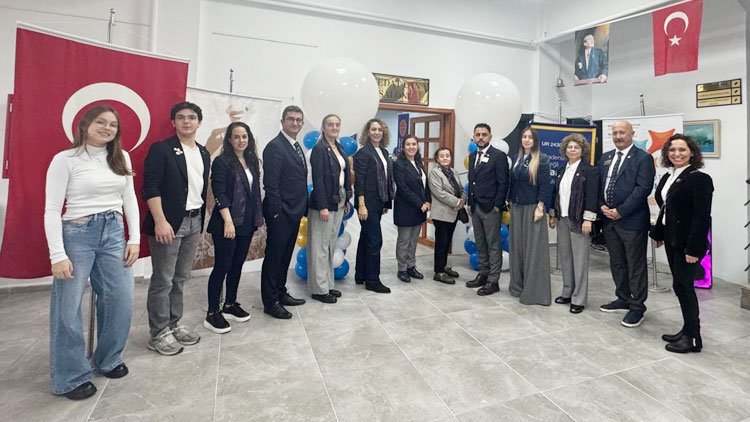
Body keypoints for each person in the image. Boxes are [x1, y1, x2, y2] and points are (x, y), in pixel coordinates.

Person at [45, 104, 139, 400]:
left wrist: (134, 238)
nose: (107, 128)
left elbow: (129, 198)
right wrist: (57, 254)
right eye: (101, 122)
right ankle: (70, 377)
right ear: (85, 125)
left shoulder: (121, 157)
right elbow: (51, 209)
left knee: (120, 298)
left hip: (114, 231)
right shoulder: (65, 159)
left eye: (113, 124)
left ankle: (107, 359)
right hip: (77, 234)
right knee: (68, 307)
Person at [143, 102, 210, 355]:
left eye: (192, 117)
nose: (186, 121)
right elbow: (150, 186)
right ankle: (159, 332)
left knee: (181, 278)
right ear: (173, 122)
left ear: (199, 122)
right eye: (181, 117)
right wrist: (160, 220)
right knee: (163, 280)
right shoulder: (162, 149)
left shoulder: (203, 152)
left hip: (194, 221)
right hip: (169, 222)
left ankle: (173, 324)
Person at [651, 134, 713, 353]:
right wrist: (659, 233)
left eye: (682, 150)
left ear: (692, 153)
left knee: (685, 287)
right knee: (679, 285)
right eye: (672, 150)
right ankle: (687, 329)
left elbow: (702, 217)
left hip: (687, 243)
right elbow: (666, 208)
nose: (676, 154)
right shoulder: (669, 176)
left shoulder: (699, 178)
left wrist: (694, 248)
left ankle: (693, 338)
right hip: (672, 238)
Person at [203, 122, 264, 334]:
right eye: (236, 137)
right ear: (229, 140)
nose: (241, 141)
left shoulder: (252, 160)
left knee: (237, 265)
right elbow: (219, 191)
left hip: (246, 221)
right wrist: (228, 221)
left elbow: (254, 192)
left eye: (244, 136)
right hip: (226, 223)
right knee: (222, 266)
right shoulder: (222, 162)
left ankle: (229, 304)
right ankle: (212, 312)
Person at [598, 120, 655, 327]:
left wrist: (621, 211)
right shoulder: (605, 158)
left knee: (635, 265)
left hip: (632, 222)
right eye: (615, 133)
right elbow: (599, 185)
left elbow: (643, 189)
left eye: (622, 132)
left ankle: (637, 307)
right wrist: (601, 205)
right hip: (609, 221)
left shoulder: (643, 158)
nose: (618, 136)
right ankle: (622, 298)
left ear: (632, 133)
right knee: (617, 263)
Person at [261, 105, 308, 319]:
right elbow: (270, 185)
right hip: (280, 214)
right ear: (282, 122)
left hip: (294, 212)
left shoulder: (296, 146)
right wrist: (276, 213)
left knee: (285, 256)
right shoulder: (275, 147)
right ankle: (270, 302)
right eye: (291, 119)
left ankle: (280, 292)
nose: (295, 123)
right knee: (274, 258)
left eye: (298, 120)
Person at [549, 133, 599, 313]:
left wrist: (588, 219)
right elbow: (557, 194)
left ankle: (579, 299)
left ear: (582, 150)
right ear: (565, 150)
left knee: (579, 261)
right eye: (569, 147)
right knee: (565, 258)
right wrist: (553, 215)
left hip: (579, 220)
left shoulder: (590, 170)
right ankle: (567, 292)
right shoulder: (562, 169)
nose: (572, 150)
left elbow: (592, 196)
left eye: (576, 147)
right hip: (562, 218)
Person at [308, 114, 352, 303]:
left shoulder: (338, 147)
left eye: (337, 125)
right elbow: (317, 180)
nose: (334, 128)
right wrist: (323, 206)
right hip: (324, 203)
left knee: (330, 245)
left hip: (339, 199)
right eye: (330, 125)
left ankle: (328, 285)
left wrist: (347, 198)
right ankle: (319, 289)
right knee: (320, 246)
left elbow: (345, 174)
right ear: (323, 127)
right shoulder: (319, 149)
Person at [508, 128, 552, 306]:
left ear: (535, 141)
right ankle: (517, 286)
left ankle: (535, 292)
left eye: (530, 137)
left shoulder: (542, 159)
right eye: (524, 137)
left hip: (533, 208)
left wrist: (541, 206)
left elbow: (546, 185)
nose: (526, 140)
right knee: (517, 248)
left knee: (533, 250)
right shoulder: (516, 159)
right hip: (516, 208)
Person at [466, 123, 509, 295]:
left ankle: (493, 280)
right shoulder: (472, 156)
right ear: (474, 137)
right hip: (476, 207)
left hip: (491, 208)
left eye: (484, 134)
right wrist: (470, 203)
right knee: (480, 243)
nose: (481, 137)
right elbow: (472, 182)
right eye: (478, 134)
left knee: (493, 245)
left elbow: (503, 183)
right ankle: (483, 274)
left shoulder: (498, 156)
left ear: (490, 137)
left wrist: (497, 206)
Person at [354, 118, 394, 293]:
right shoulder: (363, 153)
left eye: (379, 129)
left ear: (383, 132)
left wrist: (385, 202)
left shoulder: (384, 152)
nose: (377, 132)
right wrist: (361, 205)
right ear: (367, 132)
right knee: (375, 240)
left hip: (378, 202)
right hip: (367, 203)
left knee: (366, 238)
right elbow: (359, 182)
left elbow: (385, 179)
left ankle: (360, 274)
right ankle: (372, 280)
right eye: (373, 129)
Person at [393, 134, 431, 283]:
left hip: (419, 209)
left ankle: (411, 266)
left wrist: (427, 200)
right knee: (404, 241)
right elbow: (403, 188)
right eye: (408, 144)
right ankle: (402, 269)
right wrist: (420, 203)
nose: (411, 147)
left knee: (414, 240)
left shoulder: (419, 162)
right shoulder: (399, 164)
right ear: (403, 147)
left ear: (417, 146)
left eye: (414, 144)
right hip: (406, 208)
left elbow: (425, 185)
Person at [429, 147, 466, 284]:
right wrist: (457, 201)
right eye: (442, 156)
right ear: (437, 159)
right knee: (441, 242)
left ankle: (444, 266)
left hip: (454, 212)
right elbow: (439, 193)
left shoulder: (454, 172)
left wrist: (463, 199)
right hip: (441, 214)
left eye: (447, 156)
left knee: (447, 242)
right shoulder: (434, 173)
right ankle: (438, 272)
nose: (445, 158)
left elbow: (461, 189)